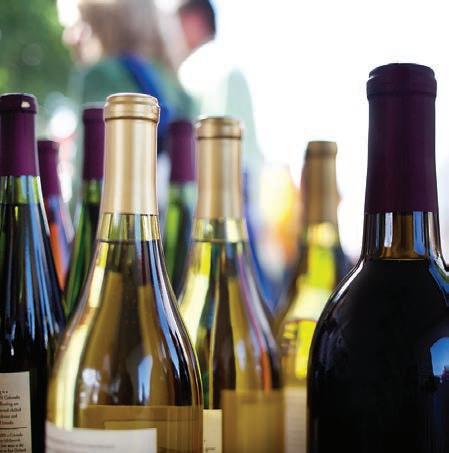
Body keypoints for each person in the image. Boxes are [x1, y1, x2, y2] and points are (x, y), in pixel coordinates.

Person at [177, 0, 259, 165]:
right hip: (245, 175)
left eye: (177, 22)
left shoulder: (191, 68)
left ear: (194, 20)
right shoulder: (231, 64)